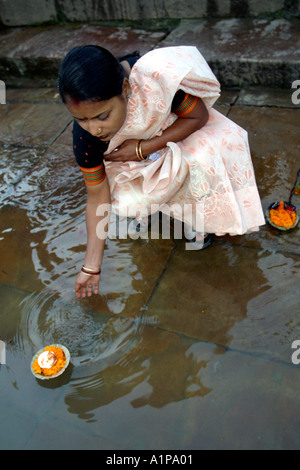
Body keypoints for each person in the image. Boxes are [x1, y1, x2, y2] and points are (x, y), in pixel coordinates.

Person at [58, 45, 265, 299]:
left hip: (176, 138)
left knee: (204, 158)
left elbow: (197, 117)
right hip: (135, 160)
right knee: (125, 200)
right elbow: (97, 196)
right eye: (81, 119)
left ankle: (197, 219)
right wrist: (91, 267)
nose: (94, 129)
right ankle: (148, 210)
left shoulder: (156, 81)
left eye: (103, 116)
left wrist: (142, 149)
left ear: (125, 89)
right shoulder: (85, 138)